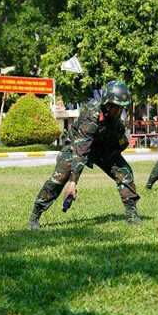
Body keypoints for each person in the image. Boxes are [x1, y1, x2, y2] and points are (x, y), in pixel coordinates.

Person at [30, 81, 141, 228]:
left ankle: (132, 214)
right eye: (115, 107)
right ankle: (35, 216)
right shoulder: (92, 115)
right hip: (76, 147)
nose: (118, 111)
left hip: (101, 148)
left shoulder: (114, 117)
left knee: (124, 171)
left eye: (121, 107)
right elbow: (81, 150)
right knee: (58, 179)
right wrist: (73, 182)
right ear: (107, 104)